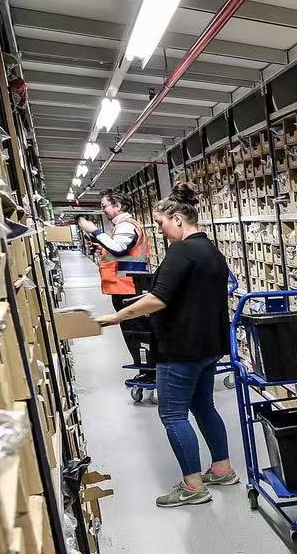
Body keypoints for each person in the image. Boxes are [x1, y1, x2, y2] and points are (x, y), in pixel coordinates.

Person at [97, 184, 240, 508]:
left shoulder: (182, 251)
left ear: (177, 218)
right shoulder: (211, 251)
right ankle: (222, 469)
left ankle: (193, 486)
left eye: (161, 223)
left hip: (181, 348)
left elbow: (159, 298)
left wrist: (118, 316)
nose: (160, 230)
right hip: (208, 346)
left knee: (173, 414)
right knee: (204, 406)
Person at [79, 191, 153, 381]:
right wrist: (102, 248)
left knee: (136, 330)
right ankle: (146, 368)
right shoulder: (121, 226)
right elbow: (121, 252)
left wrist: (95, 231)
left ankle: (150, 371)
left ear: (118, 206)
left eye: (105, 206)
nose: (103, 210)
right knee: (132, 329)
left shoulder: (126, 225)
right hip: (125, 285)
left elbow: (120, 249)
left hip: (129, 286)